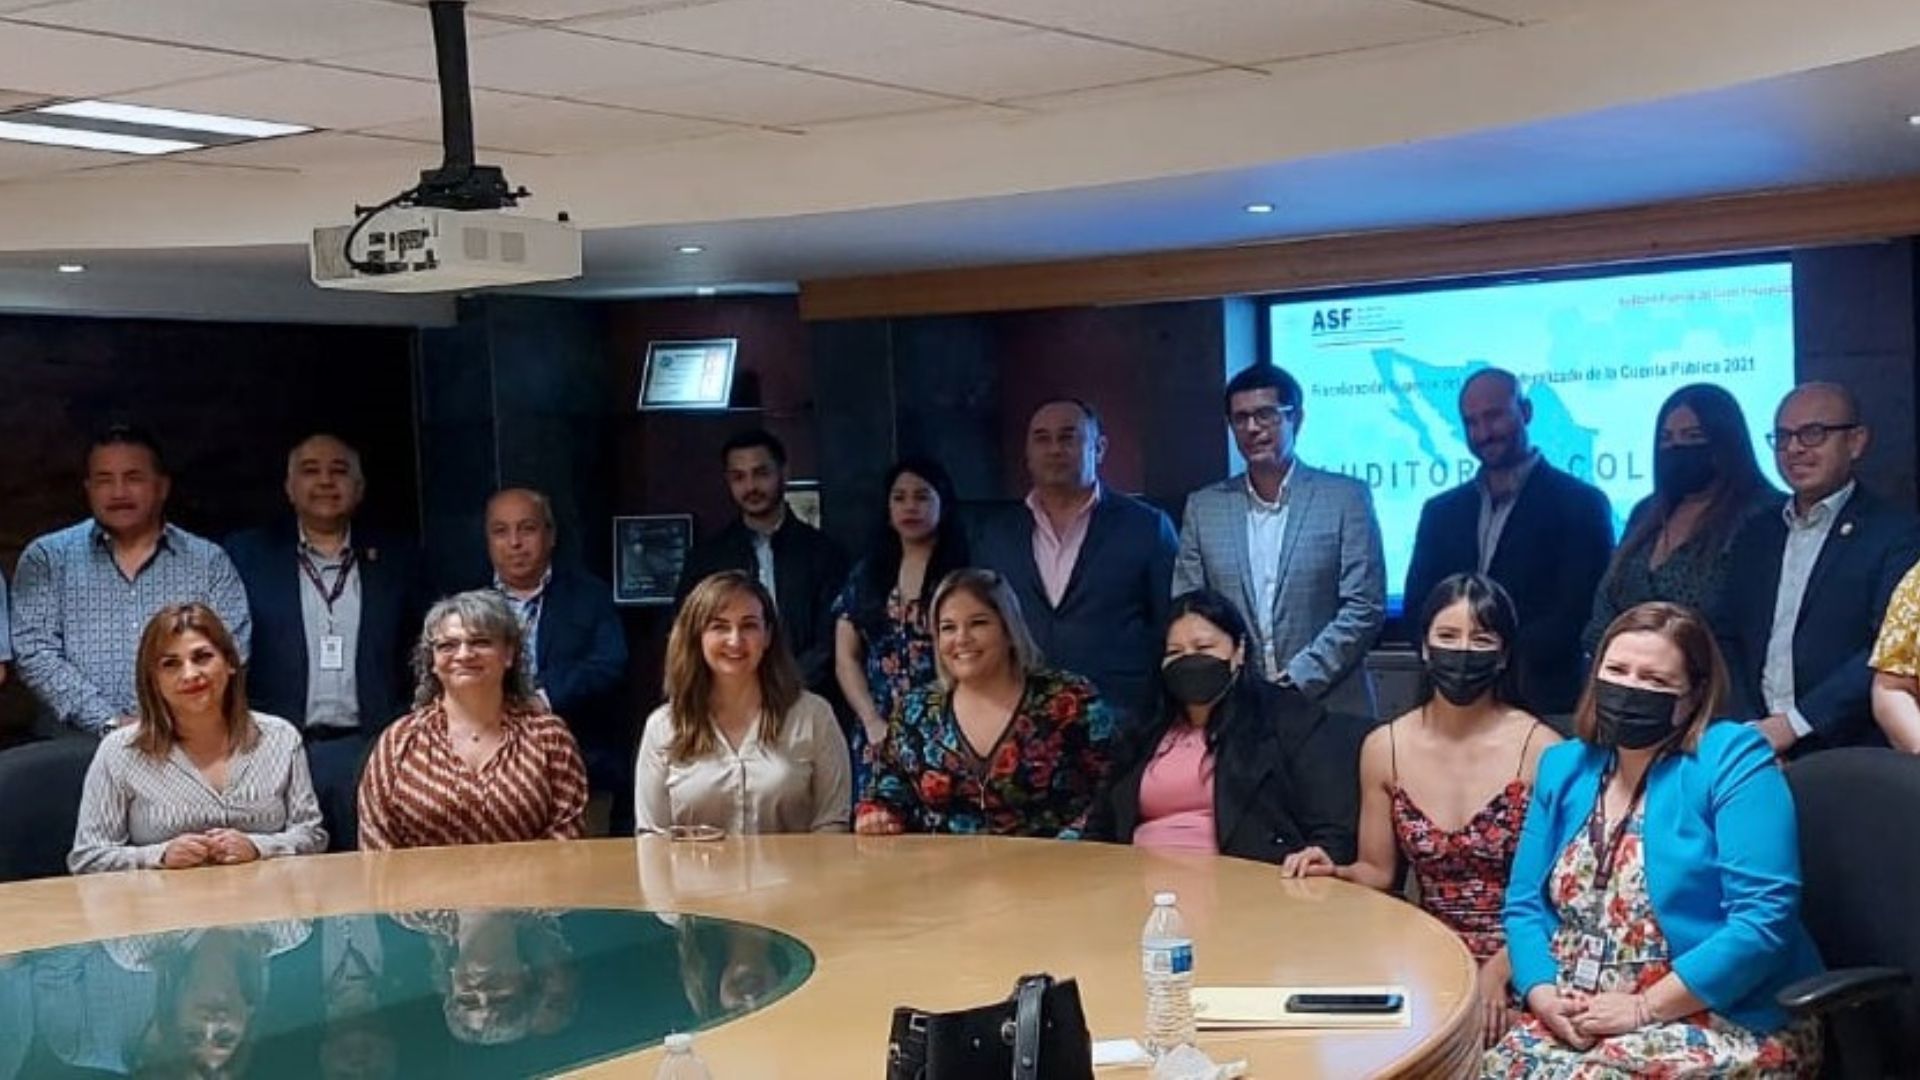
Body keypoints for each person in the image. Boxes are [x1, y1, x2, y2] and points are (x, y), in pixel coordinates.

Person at [1484, 602, 1822, 1077]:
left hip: (1718, 1012)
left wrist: (1643, 1008)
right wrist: (1542, 995)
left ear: (1693, 695)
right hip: (1581, 1010)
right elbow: (1523, 905)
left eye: (1655, 680)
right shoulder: (1563, 766)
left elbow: (1763, 922)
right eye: (1617, 671)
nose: (1630, 688)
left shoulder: (1732, 758)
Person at [1285, 573, 1559, 1046]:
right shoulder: (1384, 747)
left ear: (1503, 654)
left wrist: (1500, 972)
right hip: (1426, 951)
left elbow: (1558, 897)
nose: (1463, 651)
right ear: (1425, 648)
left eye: (1481, 639)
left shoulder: (1543, 750)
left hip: (1525, 957)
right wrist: (1333, 872)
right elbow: (1377, 873)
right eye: (1448, 636)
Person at [224, 434, 425, 851]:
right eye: (311, 471)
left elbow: (423, 648)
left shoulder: (400, 558)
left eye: (339, 471)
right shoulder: (247, 557)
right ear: (289, 487)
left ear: (360, 487)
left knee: (373, 867)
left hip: (374, 748)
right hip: (275, 747)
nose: (326, 482)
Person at [1083, 589, 1360, 865]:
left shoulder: (1285, 719)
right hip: (1135, 879)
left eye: (1203, 648)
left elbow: (1330, 826)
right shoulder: (1143, 729)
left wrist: (1321, 857)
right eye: (1175, 652)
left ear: (1239, 650)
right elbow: (1101, 826)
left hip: (1238, 880)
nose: (1189, 660)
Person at [1717, 383, 1920, 756]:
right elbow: (1728, 636)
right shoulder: (1756, 532)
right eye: (1783, 437)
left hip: (1851, 747)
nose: (1794, 448)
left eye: (1813, 433)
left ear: (1855, 442)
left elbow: (1886, 649)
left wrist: (1795, 725)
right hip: (1756, 746)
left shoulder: (1896, 533)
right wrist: (1752, 728)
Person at [1173, 364, 1386, 718]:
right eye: (1240, 419)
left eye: (1265, 415)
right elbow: (1189, 607)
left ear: (1295, 418)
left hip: (1330, 706)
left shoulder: (1345, 498)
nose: (1252, 428)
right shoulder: (1204, 507)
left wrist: (1296, 679)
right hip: (1236, 707)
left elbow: (1364, 607)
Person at [12, 425, 252, 737]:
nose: (118, 493)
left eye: (133, 478)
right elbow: (34, 651)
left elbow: (231, 649)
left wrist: (168, 723)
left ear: (162, 487)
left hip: (186, 741)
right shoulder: (47, 558)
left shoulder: (208, 561)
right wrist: (110, 722)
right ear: (88, 489)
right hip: (75, 745)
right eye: (104, 480)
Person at [1405, 369, 1614, 719]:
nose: (1483, 433)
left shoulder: (1581, 504)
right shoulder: (1441, 511)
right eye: (1471, 422)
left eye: (1494, 416)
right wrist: (1455, 662)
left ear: (1526, 411)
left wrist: (1488, 659)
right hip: (1446, 703)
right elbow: (1417, 610)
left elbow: (1578, 612)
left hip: (1542, 705)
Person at [68, 603, 325, 874]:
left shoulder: (281, 738)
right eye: (171, 664)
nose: (190, 674)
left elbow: (312, 836)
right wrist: (160, 855)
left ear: (230, 663)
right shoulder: (119, 751)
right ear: (153, 679)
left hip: (267, 897)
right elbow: (88, 858)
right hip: (163, 900)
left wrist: (258, 847)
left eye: (202, 657)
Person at [856, 568, 1113, 836]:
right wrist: (876, 816)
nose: (962, 639)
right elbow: (886, 793)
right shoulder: (914, 711)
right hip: (942, 862)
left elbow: (1104, 798)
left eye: (978, 623)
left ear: (1009, 630)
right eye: (948, 628)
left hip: (1057, 859)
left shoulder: (1071, 700)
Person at [972, 399, 1177, 721]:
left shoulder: (1147, 527)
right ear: (1027, 453)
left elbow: (1170, 624)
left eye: (1068, 437)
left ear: (1099, 448)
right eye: (1042, 439)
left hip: (1121, 718)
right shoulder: (995, 535)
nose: (1054, 449)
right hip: (1020, 718)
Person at [356, 591, 589, 850]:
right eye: (448, 645)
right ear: (432, 661)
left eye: (480, 642)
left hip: (530, 879)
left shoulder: (550, 738)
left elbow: (566, 839)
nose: (464, 654)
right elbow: (377, 844)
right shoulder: (399, 741)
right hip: (418, 880)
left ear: (509, 654)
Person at [635, 571, 851, 834]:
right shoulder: (663, 726)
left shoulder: (814, 716)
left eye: (749, 626)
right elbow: (652, 836)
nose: (735, 640)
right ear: (697, 636)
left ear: (768, 635)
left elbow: (832, 824)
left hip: (795, 864)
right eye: (719, 627)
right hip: (692, 864)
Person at [1582, 384, 1777, 657]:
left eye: (1693, 436)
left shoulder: (1763, 515)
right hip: (1626, 674)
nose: (1677, 448)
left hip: (1715, 677)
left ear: (1725, 441)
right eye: (1666, 439)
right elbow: (1606, 602)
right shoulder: (1646, 512)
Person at [485, 488, 629, 828]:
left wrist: (543, 698)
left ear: (550, 535)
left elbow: (610, 663)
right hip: (488, 779)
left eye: (527, 529)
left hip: (581, 771)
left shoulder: (589, 595)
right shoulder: (467, 602)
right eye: (501, 531)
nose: (515, 542)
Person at [677, 430, 849, 697]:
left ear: (784, 473)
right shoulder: (707, 559)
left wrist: (784, 686)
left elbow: (832, 640)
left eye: (761, 473)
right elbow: (686, 631)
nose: (751, 487)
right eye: (739, 477)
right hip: (726, 699)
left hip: (807, 698)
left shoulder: (823, 554)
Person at [833, 457, 969, 794]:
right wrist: (870, 720)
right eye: (899, 498)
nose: (910, 507)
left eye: (922, 497)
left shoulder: (964, 572)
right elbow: (846, 657)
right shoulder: (867, 574)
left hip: (951, 725)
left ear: (943, 503)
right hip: (880, 730)